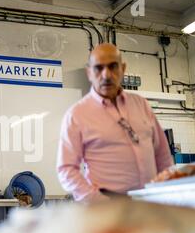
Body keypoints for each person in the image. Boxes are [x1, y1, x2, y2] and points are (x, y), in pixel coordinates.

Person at [56, 43, 174, 202]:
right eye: (98, 68)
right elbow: (66, 169)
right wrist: (98, 201)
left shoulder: (141, 105)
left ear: (123, 69)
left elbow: (163, 157)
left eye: (113, 66)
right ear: (89, 73)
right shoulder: (77, 115)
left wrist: (167, 193)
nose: (106, 75)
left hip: (152, 202)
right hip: (108, 206)